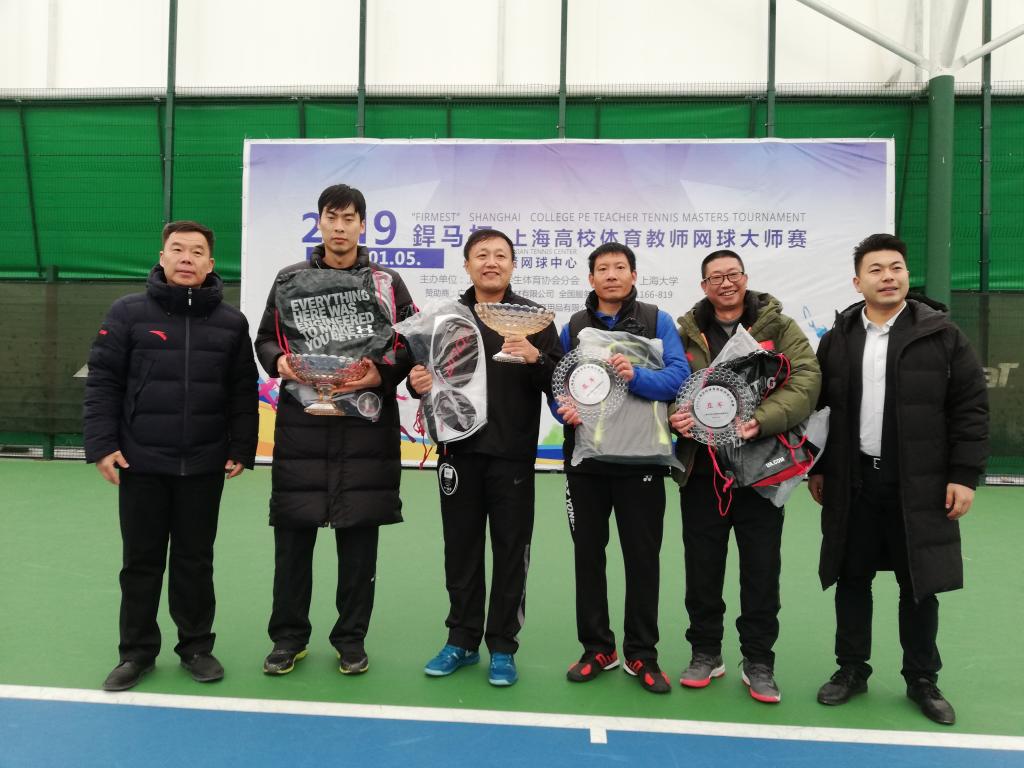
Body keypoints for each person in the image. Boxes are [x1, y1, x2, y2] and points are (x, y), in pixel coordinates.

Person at [809, 234, 988, 725]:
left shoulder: (942, 335)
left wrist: (963, 475)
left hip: (920, 484)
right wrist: (820, 468)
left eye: (896, 267)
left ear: (907, 275)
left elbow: (970, 408)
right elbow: (822, 409)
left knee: (919, 584)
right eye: (876, 269)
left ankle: (922, 678)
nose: (888, 277)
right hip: (854, 482)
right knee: (852, 578)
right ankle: (851, 669)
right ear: (857, 282)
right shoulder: (838, 337)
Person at [84, 220, 259, 692]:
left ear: (210, 263)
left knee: (195, 561)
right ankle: (136, 653)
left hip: (204, 464)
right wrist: (102, 445)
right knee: (140, 563)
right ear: (161, 257)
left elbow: (243, 391)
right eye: (177, 249)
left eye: (196, 251)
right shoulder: (127, 312)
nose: (186, 258)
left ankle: (196, 647)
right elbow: (103, 382)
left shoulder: (231, 323)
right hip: (141, 462)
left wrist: (241, 446)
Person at [254, 184, 414, 677]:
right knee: (293, 542)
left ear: (363, 225)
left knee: (359, 544)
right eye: (332, 217)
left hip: (365, 429)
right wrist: (281, 362)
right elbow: (265, 339)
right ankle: (288, 639)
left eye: (349, 219)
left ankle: (350, 640)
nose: (340, 227)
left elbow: (408, 343)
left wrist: (379, 375)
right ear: (319, 222)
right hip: (304, 426)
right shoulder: (289, 279)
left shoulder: (387, 282)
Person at [408, 228, 561, 687]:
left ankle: (503, 646)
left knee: (512, 551)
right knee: (461, 549)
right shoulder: (444, 318)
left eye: (500, 255)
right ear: (467, 264)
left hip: (512, 455)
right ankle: (461, 639)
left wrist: (535, 358)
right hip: (458, 452)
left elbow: (558, 383)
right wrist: (418, 382)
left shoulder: (534, 320)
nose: (491, 262)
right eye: (481, 255)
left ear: (512, 265)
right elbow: (426, 377)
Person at [669, 249, 820, 703]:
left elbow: (807, 380)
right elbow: (668, 384)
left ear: (745, 278)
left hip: (762, 471)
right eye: (715, 277)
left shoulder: (780, 327)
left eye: (732, 274)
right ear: (704, 286)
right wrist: (674, 416)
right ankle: (705, 652)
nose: (725, 283)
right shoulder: (684, 333)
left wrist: (762, 420)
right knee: (702, 569)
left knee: (761, 571)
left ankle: (759, 661)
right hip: (702, 472)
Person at [555, 243, 689, 694]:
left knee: (642, 560)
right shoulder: (575, 326)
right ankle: (597, 648)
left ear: (633, 275)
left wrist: (636, 375)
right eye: (602, 268)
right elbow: (559, 387)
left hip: (642, 462)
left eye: (619, 267)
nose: (611, 275)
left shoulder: (657, 321)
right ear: (591, 279)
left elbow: (679, 379)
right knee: (588, 557)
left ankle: (641, 654)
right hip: (587, 463)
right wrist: (562, 411)